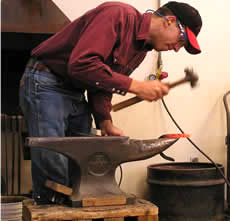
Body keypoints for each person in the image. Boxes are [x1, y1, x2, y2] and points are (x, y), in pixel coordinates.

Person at [19, 1, 202, 204]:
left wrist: (105, 120)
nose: (177, 49)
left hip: (75, 91)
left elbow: (101, 83)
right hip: (46, 82)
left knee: (86, 163)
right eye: (182, 40)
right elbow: (81, 64)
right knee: (52, 163)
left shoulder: (140, 50)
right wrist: (136, 86)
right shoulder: (118, 15)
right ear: (170, 21)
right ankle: (49, 208)